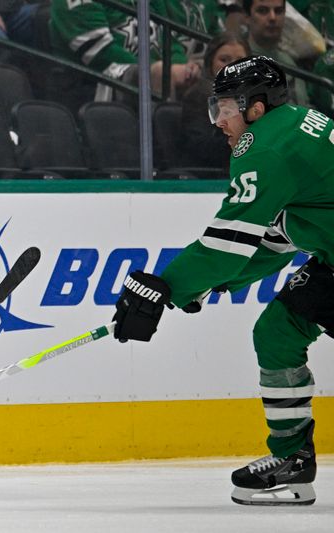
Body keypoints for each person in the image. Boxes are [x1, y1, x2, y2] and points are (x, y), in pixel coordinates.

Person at [112, 56, 332, 506]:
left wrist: (166, 286)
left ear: (254, 108)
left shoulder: (265, 148)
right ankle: (292, 459)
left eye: (226, 108)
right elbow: (277, 240)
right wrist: (205, 285)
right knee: (277, 331)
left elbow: (224, 244)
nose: (219, 122)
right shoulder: (300, 123)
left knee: (278, 330)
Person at [49, 0, 200, 103]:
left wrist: (182, 67)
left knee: (205, 75)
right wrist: (164, 71)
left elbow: (169, 37)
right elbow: (101, 53)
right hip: (96, 84)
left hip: (151, 78)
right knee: (160, 75)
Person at [179, 31, 249, 171]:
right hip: (212, 176)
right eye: (224, 60)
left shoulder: (258, 98)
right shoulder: (198, 96)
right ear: (209, 63)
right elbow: (200, 148)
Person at [244, 0, 309, 105]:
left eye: (278, 11)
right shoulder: (238, 59)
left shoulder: (289, 61)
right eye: (263, 11)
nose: (272, 17)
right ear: (247, 17)